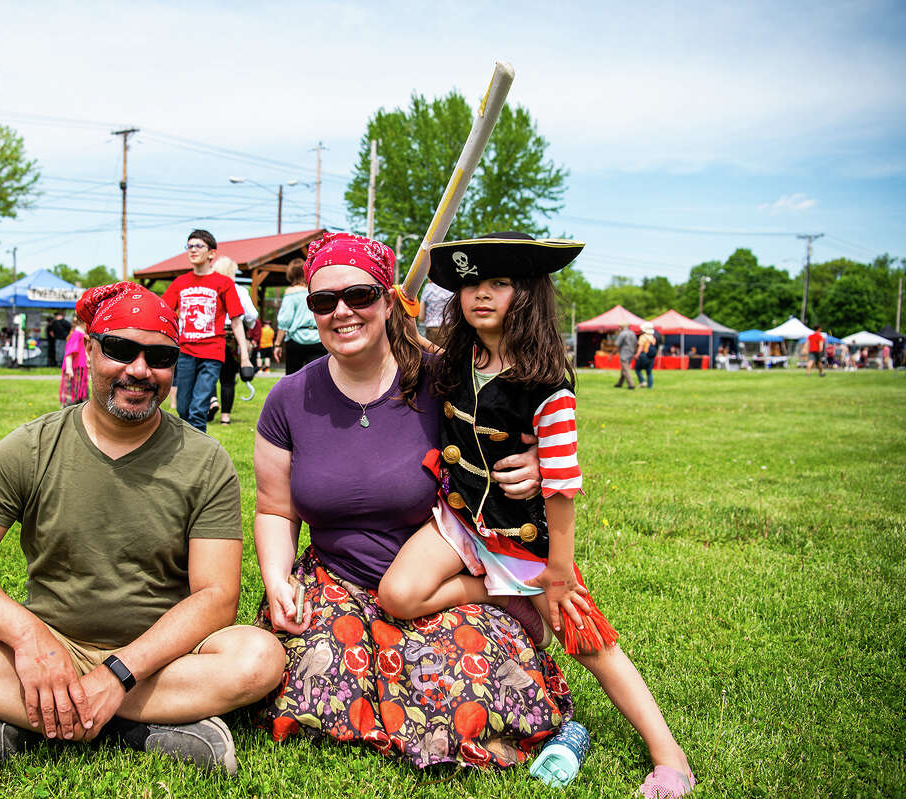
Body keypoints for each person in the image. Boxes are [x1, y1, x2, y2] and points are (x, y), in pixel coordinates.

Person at [0, 282, 283, 771]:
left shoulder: (205, 461)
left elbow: (215, 598)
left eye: (160, 356)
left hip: (157, 662)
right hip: (49, 645)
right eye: (121, 350)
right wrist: (28, 639)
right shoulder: (32, 447)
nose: (140, 370)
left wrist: (118, 674)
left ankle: (26, 715)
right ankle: (143, 726)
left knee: (258, 658)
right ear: (91, 350)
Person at [378, 232, 693, 798]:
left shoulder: (549, 386)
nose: (481, 294)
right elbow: (407, 342)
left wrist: (559, 571)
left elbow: (565, 485)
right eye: (472, 282)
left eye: (500, 283)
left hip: (524, 543)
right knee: (398, 595)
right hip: (459, 522)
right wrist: (397, 308)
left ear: (527, 294)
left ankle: (668, 755)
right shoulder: (454, 358)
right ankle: (497, 598)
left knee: (588, 638)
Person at [254, 232, 571, 773]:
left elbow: (520, 409)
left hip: (436, 588)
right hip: (335, 581)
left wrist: (538, 460)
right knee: (306, 676)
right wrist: (277, 579)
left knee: (463, 688)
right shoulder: (288, 398)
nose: (342, 312)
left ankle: (496, 597)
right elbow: (274, 508)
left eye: (358, 295)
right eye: (323, 301)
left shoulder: (442, 377)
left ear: (388, 300)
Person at [162, 230, 252, 432]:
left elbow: (237, 321)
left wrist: (244, 356)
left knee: (198, 409)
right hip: (185, 353)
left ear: (211, 254)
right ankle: (186, 447)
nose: (193, 250)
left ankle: (198, 457)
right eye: (189, 246)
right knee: (183, 408)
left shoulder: (224, 283)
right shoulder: (180, 283)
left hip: (212, 354)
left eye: (198, 246)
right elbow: (163, 313)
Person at [212, 256, 259, 425]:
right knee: (228, 378)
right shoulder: (239, 290)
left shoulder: (210, 289)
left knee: (208, 373)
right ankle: (225, 418)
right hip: (233, 335)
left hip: (213, 335)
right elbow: (252, 315)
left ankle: (212, 401)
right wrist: (249, 324)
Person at [272, 258, 326, 375]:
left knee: (293, 378)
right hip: (317, 339)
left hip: (296, 340)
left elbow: (285, 321)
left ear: (290, 273)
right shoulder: (315, 290)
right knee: (319, 379)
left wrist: (277, 344)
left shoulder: (291, 292)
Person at [58, 316, 88, 406]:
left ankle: (80, 409)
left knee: (81, 391)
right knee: (72, 392)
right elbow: (69, 353)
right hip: (74, 368)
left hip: (81, 368)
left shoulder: (82, 333)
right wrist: (69, 368)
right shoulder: (76, 334)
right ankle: (68, 409)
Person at [614, 323, 637, 389]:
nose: (618, 329)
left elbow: (617, 345)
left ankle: (631, 384)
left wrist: (612, 354)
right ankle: (619, 383)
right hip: (631, 353)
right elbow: (636, 343)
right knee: (624, 369)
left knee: (626, 369)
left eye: (619, 327)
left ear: (622, 327)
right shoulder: (632, 333)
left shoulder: (622, 334)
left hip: (624, 354)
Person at [635, 323, 657, 389]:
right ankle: (650, 386)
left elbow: (640, 347)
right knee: (649, 372)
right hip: (651, 356)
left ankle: (642, 381)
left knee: (637, 369)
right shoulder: (653, 337)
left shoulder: (643, 337)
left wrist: (637, 354)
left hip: (644, 355)